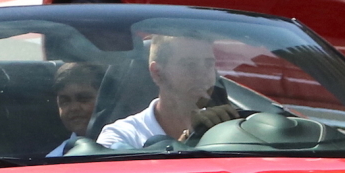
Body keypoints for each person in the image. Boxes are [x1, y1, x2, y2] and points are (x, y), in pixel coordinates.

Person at [96, 32, 238, 149]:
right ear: (157, 73)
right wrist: (189, 139)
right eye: (189, 65)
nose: (203, 75)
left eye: (208, 64)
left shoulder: (234, 129)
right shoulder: (122, 136)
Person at [45, 61, 103, 156]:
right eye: (65, 101)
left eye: (84, 99)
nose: (74, 108)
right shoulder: (56, 159)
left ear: (103, 99)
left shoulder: (125, 147)